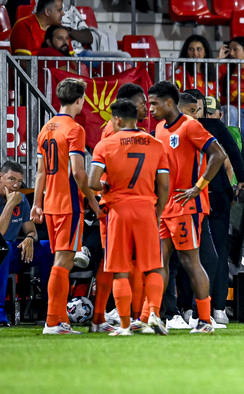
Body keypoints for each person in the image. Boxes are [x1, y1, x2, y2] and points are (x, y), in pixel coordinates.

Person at [139, 81, 227, 334]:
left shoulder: (190, 126)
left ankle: (205, 320)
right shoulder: (158, 129)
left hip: (186, 206)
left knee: (191, 262)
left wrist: (198, 187)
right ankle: (151, 316)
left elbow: (218, 155)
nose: (150, 108)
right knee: (158, 261)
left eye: (154, 103)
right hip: (166, 206)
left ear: (169, 102)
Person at [88, 99, 170, 336]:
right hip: (146, 209)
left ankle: (124, 326)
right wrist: (158, 211)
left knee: (120, 270)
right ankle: (153, 313)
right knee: (154, 267)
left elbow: (93, 182)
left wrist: (106, 187)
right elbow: (163, 185)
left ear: (118, 119)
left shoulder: (105, 145)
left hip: (119, 211)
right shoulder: (155, 144)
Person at [168, 92, 244, 329]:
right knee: (215, 254)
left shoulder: (168, 129)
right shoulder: (211, 126)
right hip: (211, 195)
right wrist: (241, 179)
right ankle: (217, 309)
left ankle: (184, 310)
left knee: (183, 256)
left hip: (185, 198)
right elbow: (232, 151)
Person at [31, 78, 101, 335]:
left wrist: (36, 204)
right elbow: (78, 172)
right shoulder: (75, 129)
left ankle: (60, 320)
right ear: (80, 100)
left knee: (60, 260)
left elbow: (40, 172)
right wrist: (92, 199)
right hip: (69, 204)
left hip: (49, 204)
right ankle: (52, 322)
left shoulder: (46, 128)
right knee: (63, 262)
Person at [86, 83, 149, 334]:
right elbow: (102, 176)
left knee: (111, 262)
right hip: (121, 206)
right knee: (125, 263)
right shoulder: (117, 133)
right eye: (143, 102)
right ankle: (130, 318)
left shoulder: (110, 130)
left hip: (112, 205)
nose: (147, 107)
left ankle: (101, 318)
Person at [0, 162, 52, 327]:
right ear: (0, 177)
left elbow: (31, 231)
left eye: (19, 181)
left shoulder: (21, 199)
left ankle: (48, 309)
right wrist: (10, 204)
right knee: (5, 247)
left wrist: (30, 239)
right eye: (11, 179)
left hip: (12, 254)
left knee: (48, 248)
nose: (15, 185)